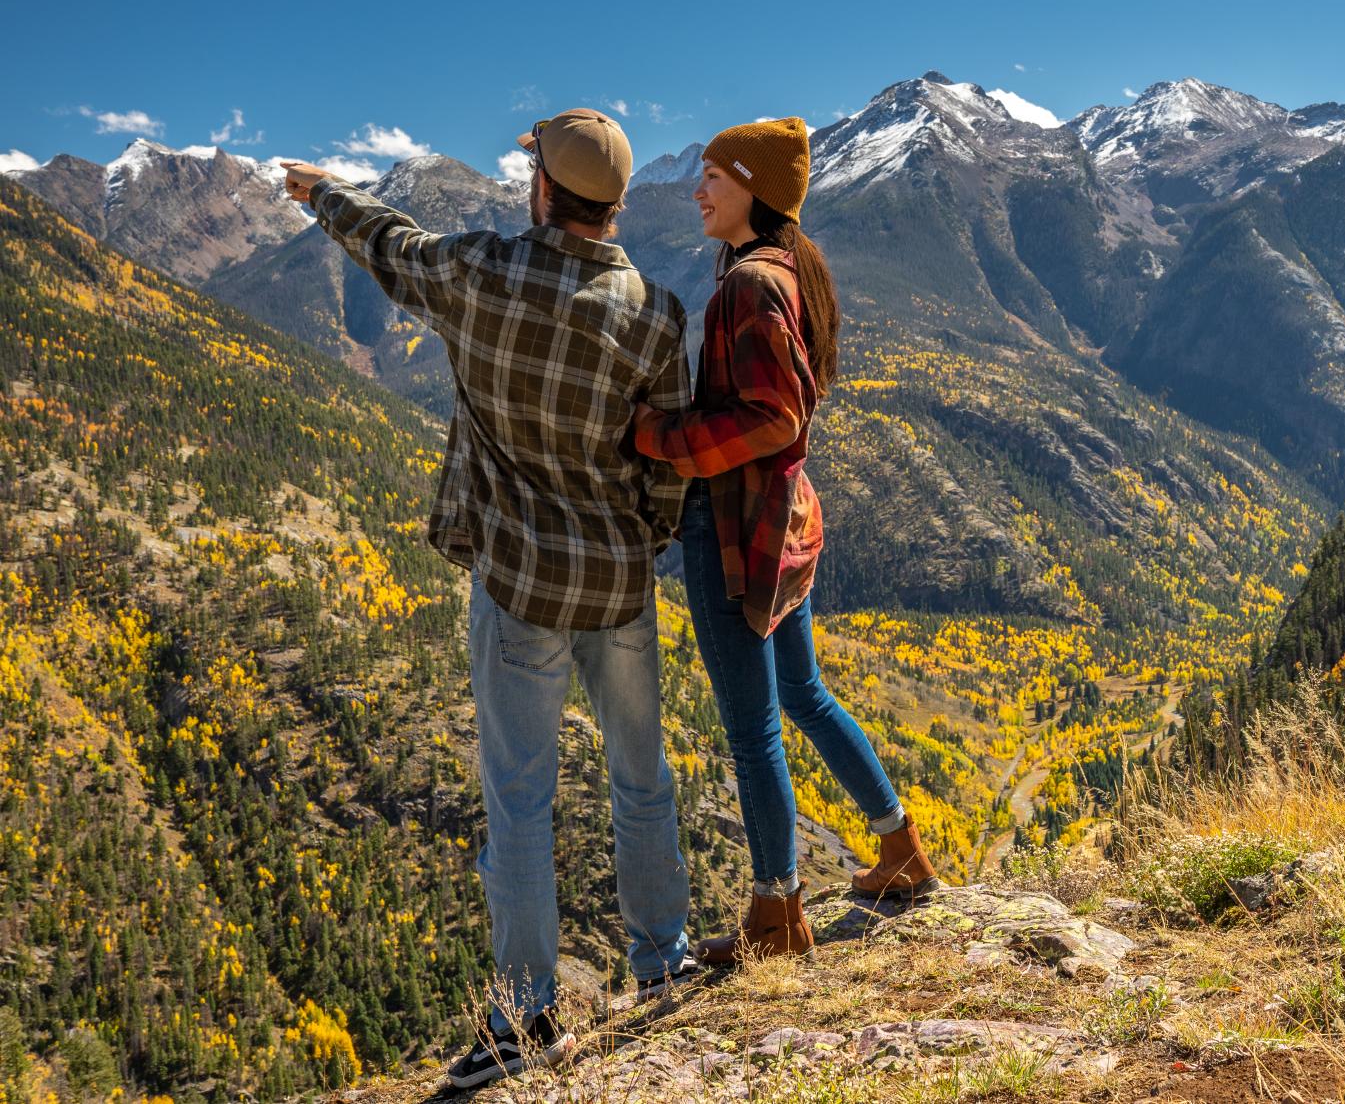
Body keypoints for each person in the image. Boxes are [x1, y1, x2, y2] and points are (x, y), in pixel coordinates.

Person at [279, 107, 697, 1087]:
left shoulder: (482, 277)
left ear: (542, 190)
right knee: (643, 780)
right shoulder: (657, 315)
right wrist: (639, 540)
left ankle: (526, 1015)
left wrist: (318, 192)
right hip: (619, 581)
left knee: (520, 804)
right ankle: (664, 964)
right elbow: (668, 471)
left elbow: (393, 247)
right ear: (618, 202)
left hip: (517, 582)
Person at [632, 117, 937, 963]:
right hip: (782, 519)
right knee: (804, 695)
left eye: (714, 179)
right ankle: (900, 848)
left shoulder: (747, 286)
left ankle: (777, 915)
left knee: (753, 727)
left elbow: (774, 416)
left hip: (734, 528)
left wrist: (661, 436)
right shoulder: (787, 267)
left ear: (754, 190)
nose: (698, 192)